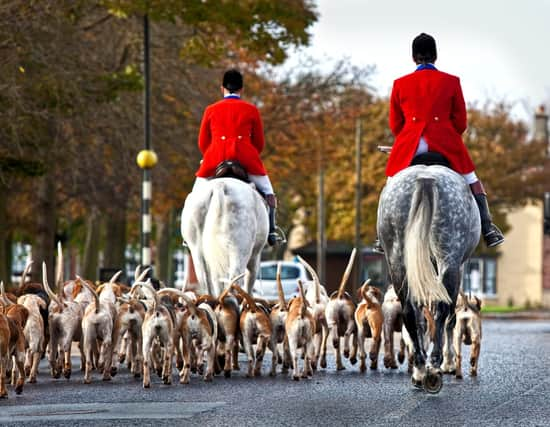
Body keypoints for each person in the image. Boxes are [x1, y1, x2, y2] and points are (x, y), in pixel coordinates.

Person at [373, 33, 504, 253]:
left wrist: (407, 140)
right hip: (444, 142)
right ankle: (488, 229)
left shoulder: (400, 84)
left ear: (413, 57)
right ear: (435, 55)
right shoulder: (451, 81)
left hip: (412, 144)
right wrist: (446, 133)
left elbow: (396, 124)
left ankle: (380, 236)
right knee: (472, 180)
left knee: (390, 185)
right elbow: (460, 122)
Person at [192, 69, 281, 246]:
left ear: (222, 88)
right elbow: (259, 143)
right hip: (245, 158)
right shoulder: (252, 110)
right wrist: (248, 152)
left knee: (195, 196)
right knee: (269, 193)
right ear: (241, 89)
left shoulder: (211, 110)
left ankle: (190, 236)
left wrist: (211, 153)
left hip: (215, 158)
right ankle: (271, 231)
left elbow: (202, 142)